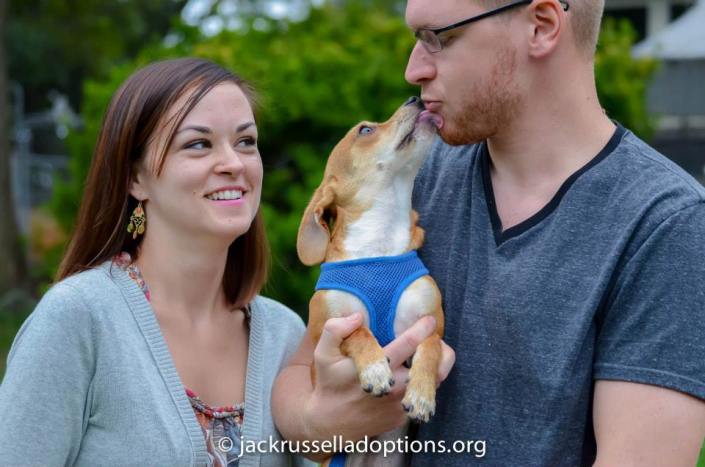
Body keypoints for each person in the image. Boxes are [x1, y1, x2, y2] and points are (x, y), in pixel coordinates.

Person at [273, 0, 705, 465]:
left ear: (540, 26)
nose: (412, 69)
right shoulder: (410, 177)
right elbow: (298, 380)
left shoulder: (665, 222)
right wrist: (321, 423)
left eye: (439, 37)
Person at [0, 58, 313, 467]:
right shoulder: (77, 320)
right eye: (198, 144)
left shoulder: (285, 336)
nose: (234, 163)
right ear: (135, 179)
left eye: (245, 142)